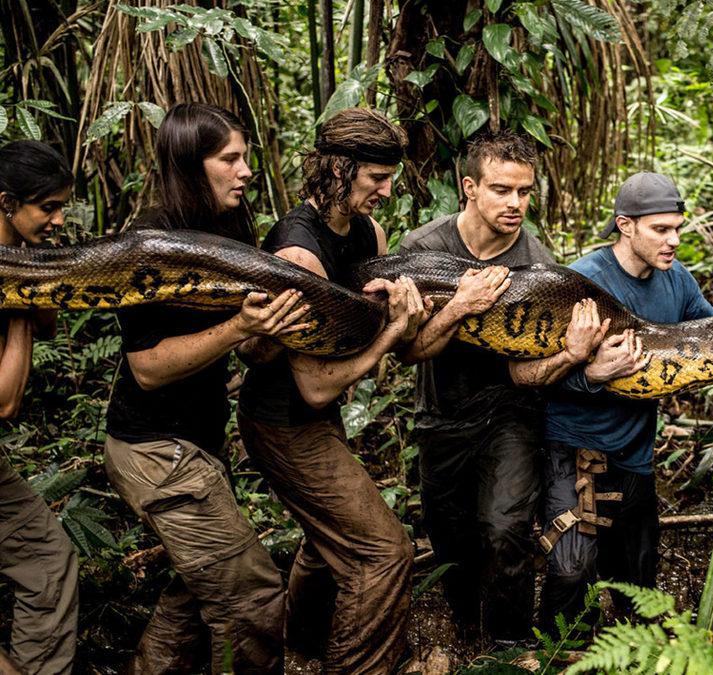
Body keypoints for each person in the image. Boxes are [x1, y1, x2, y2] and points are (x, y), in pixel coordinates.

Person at [104, 103, 307, 673]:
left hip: (197, 442)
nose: (246, 171)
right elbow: (147, 367)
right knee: (251, 599)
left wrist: (273, 329)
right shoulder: (149, 244)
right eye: (230, 159)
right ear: (191, 164)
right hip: (153, 447)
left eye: (246, 157)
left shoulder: (227, 224)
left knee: (194, 596)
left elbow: (245, 345)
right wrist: (241, 326)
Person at [237, 108, 428, 672]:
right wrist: (392, 333)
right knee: (384, 551)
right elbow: (315, 385)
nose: (387, 192)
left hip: (318, 417)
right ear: (340, 170)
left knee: (330, 541)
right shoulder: (298, 251)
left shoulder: (370, 233)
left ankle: (303, 644)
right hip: (283, 420)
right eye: (377, 178)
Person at [529, 172, 713, 628]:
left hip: (635, 452)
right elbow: (535, 375)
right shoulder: (581, 281)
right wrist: (592, 374)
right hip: (574, 446)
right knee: (572, 569)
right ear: (625, 225)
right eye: (661, 230)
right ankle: (556, 651)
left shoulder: (678, 281)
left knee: (639, 577)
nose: (674, 241)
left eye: (678, 228)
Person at [399, 129, 556, 644]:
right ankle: (469, 626)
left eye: (524, 191)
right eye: (501, 190)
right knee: (449, 531)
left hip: (511, 411)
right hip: (441, 411)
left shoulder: (537, 264)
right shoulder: (424, 248)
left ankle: (510, 643)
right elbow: (409, 349)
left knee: (506, 527)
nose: (516, 203)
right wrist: (461, 306)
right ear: (469, 187)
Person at [0, 140, 78, 674]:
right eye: (48, 207)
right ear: (7, 203)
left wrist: (32, 280)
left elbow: (47, 326)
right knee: (46, 561)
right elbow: (5, 401)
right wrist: (23, 296)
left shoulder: (19, 259)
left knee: (48, 563)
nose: (59, 220)